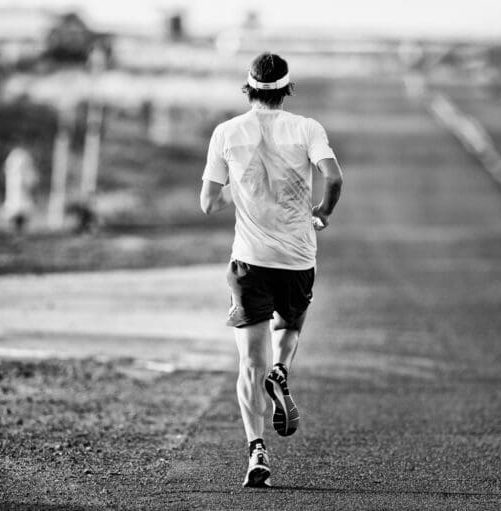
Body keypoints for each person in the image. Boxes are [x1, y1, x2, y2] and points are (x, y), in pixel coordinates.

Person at [200, 52, 343, 487]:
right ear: (286, 90)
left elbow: (208, 202)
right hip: (297, 258)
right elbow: (334, 178)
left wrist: (240, 193)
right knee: (291, 326)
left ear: (249, 89)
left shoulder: (226, 132)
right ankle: (281, 372)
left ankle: (256, 450)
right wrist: (323, 210)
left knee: (248, 363)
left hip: (249, 261)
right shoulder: (306, 128)